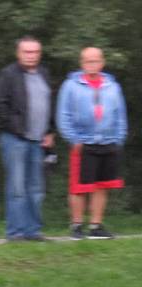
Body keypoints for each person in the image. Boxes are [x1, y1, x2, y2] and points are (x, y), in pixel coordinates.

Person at [56, 46, 127, 240]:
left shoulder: (113, 86)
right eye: (88, 61)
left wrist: (119, 138)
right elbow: (63, 115)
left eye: (95, 61)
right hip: (82, 143)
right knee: (79, 187)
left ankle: (96, 226)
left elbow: (120, 115)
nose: (92, 65)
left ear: (102, 62)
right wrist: (73, 139)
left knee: (101, 185)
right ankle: (77, 226)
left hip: (108, 142)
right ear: (82, 63)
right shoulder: (71, 85)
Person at [0, 36, 55, 241]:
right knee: (17, 187)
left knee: (36, 188)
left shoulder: (44, 74)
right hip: (15, 140)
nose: (31, 56)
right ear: (18, 53)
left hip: (39, 141)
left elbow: (49, 105)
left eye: (35, 52)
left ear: (39, 54)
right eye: (26, 52)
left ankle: (32, 230)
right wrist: (16, 129)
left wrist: (49, 131)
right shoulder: (8, 75)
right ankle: (16, 232)